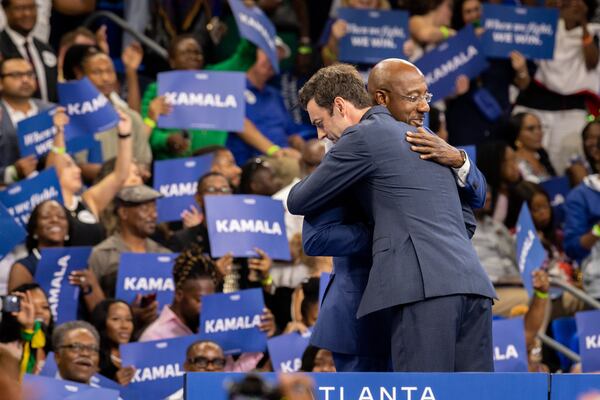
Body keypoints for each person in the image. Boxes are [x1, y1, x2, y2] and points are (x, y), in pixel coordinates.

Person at [288, 63, 496, 372]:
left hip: (421, 290)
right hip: (473, 285)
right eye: (415, 98)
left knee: (424, 393)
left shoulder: (360, 139)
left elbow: (297, 200)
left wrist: (394, 234)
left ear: (340, 106)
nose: (320, 134)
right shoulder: (429, 142)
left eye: (319, 122)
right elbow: (466, 221)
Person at [48, 107, 134, 247]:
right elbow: (54, 167)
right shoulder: (50, 206)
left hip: (93, 268)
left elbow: (120, 175)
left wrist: (125, 135)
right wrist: (59, 133)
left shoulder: (89, 200)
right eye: (69, 165)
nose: (77, 170)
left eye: (76, 165)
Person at [88, 184, 170, 300]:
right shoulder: (101, 255)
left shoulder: (164, 255)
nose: (154, 215)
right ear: (123, 213)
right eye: (145, 209)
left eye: (154, 208)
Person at [0, 57, 51, 185]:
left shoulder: (51, 110)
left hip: (52, 185)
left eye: (30, 74)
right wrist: (13, 173)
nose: (25, 80)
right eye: (16, 75)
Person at [0, 0, 57, 102]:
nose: (27, 13)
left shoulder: (45, 49)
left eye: (32, 8)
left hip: (48, 114)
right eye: (20, 9)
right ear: (5, 11)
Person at [0, 283, 53, 378]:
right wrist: (28, 328)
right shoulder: (5, 349)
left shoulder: (57, 346)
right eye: (29, 306)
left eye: (45, 307)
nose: (38, 311)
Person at [90, 299, 136, 386]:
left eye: (129, 319)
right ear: (102, 322)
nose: (125, 326)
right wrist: (114, 384)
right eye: (116, 319)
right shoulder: (94, 359)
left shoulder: (141, 354)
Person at [507, 113, 556, 183]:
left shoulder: (542, 157)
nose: (538, 133)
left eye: (540, 127)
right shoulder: (514, 163)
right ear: (517, 133)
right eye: (531, 129)